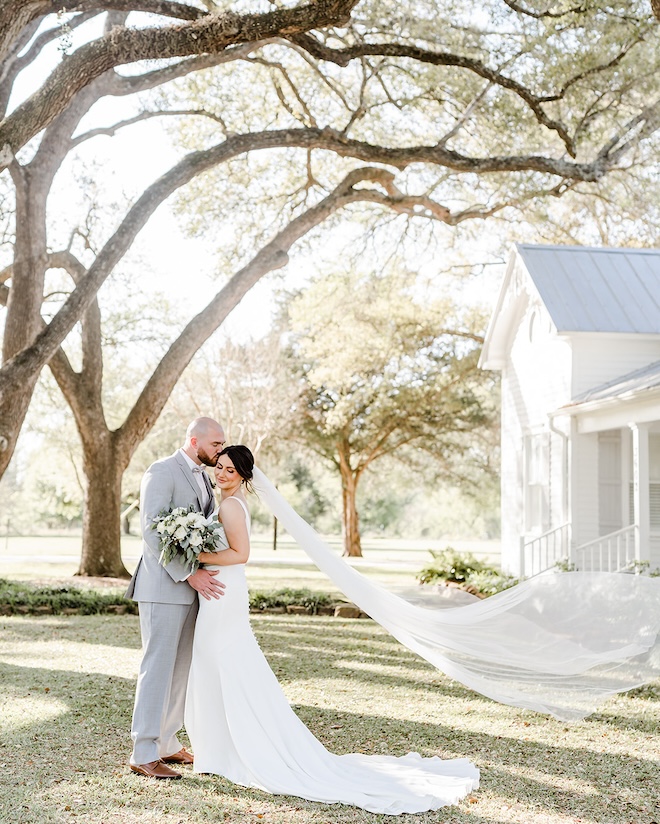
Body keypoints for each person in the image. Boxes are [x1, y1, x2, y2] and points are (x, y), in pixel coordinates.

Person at [184, 445, 480, 814]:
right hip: (222, 591)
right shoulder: (228, 501)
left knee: (222, 662)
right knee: (219, 664)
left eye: (230, 470)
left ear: (244, 475)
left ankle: (229, 750)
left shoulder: (229, 505)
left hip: (223, 591)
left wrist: (194, 556)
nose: (222, 474)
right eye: (220, 467)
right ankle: (220, 749)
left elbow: (240, 554)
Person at [126, 416, 227, 779]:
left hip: (191, 593)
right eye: (215, 444)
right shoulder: (161, 470)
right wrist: (189, 573)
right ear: (193, 439)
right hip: (163, 587)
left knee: (180, 669)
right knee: (157, 668)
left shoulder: (203, 477)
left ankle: (167, 742)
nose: (220, 450)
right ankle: (143, 752)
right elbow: (152, 530)